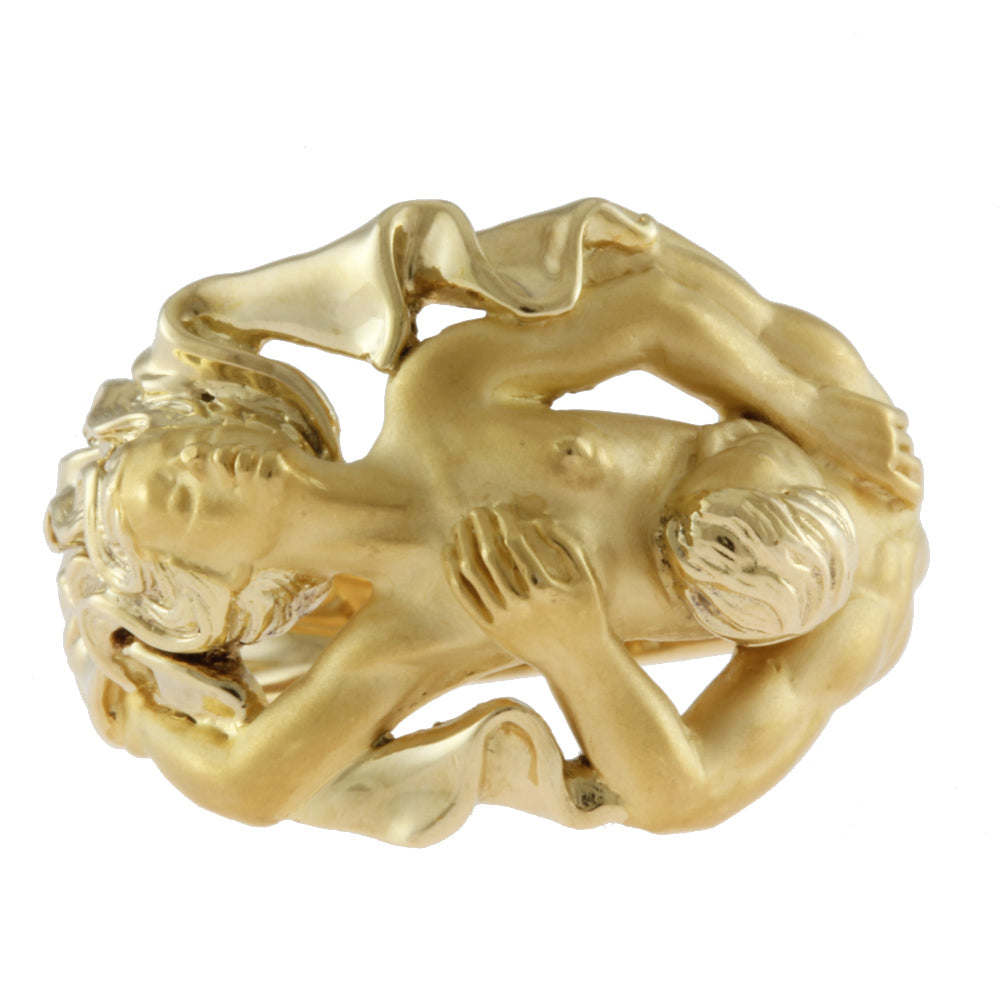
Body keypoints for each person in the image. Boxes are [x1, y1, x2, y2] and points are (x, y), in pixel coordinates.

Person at [47, 200, 926, 845]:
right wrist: (574, 645)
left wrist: (804, 406)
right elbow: (683, 794)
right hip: (840, 620)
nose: (205, 462)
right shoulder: (400, 644)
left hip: (843, 440)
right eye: (184, 499)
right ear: (223, 583)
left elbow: (649, 310)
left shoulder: (441, 395)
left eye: (186, 445)